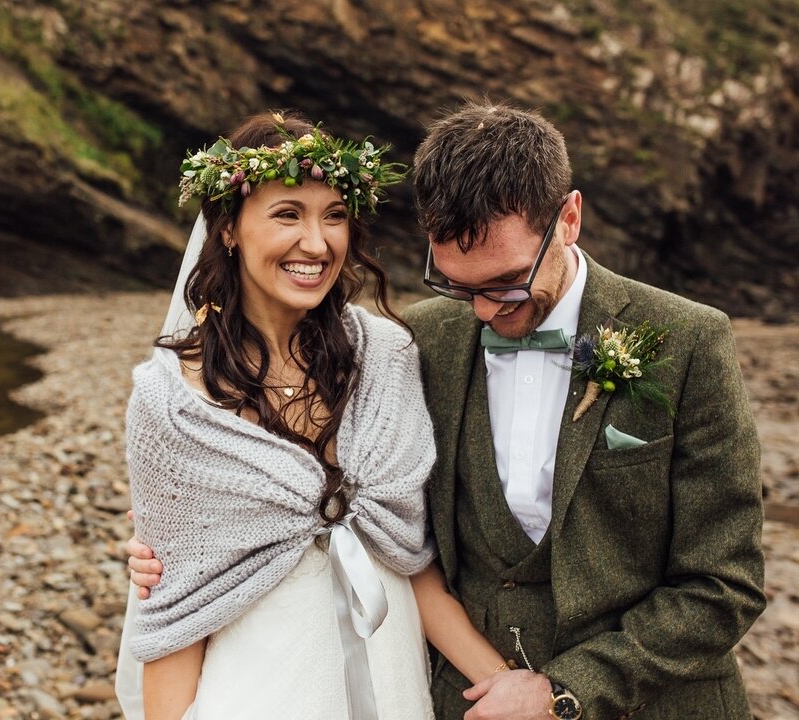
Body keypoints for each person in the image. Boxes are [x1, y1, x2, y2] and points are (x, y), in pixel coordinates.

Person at [128, 101, 766, 720]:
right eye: (458, 285)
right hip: (442, 697)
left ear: (568, 218)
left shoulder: (687, 342)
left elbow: (723, 583)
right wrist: (180, 534)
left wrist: (561, 693)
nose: (483, 311)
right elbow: (213, 558)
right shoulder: (423, 339)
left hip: (650, 704)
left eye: (507, 283)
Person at [117, 110, 508, 720]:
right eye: (287, 214)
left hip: (394, 689)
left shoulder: (388, 357)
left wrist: (509, 685)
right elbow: (176, 609)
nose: (317, 243)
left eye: (334, 216)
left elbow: (411, 557)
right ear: (228, 229)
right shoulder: (172, 405)